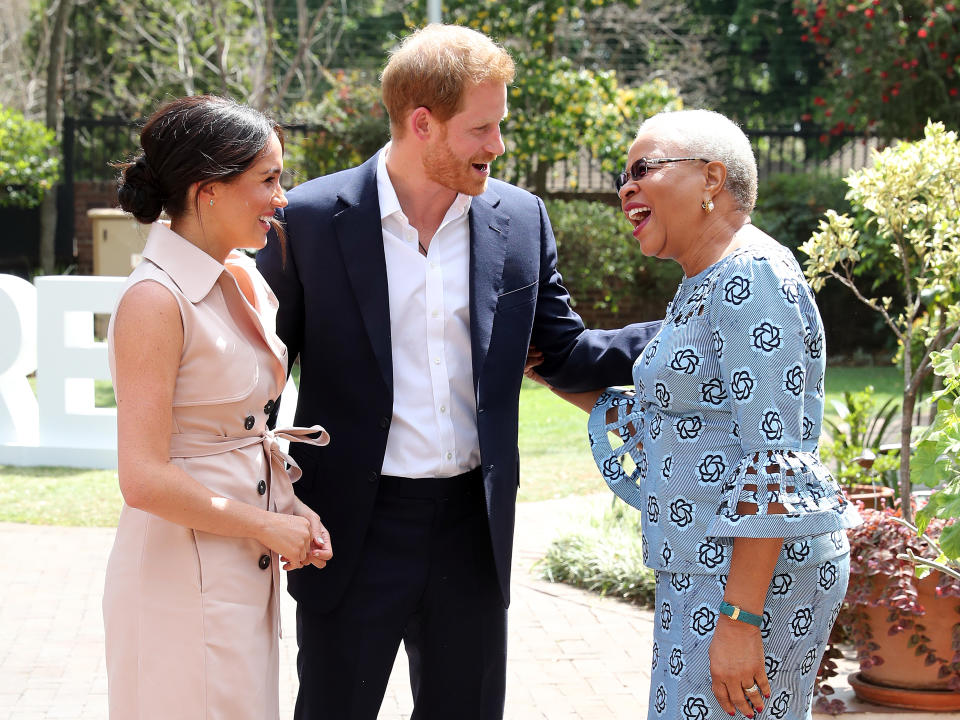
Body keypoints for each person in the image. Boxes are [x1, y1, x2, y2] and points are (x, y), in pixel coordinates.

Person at [255, 23, 659, 720]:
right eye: (482, 128)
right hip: (352, 529)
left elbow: (563, 352)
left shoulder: (521, 219)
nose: (497, 146)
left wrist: (693, 329)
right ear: (423, 124)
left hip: (474, 530)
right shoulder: (311, 221)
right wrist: (277, 503)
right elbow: (258, 383)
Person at [525, 109, 862, 720]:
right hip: (712, 570)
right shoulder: (705, 280)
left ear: (711, 179)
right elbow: (667, 418)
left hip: (750, 579)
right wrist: (543, 371)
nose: (625, 188)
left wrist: (739, 620)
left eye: (642, 169)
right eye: (620, 177)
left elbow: (775, 459)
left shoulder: (752, 276)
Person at [103, 95, 333, 720]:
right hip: (178, 575)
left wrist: (289, 509)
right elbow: (142, 478)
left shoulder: (245, 276)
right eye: (268, 180)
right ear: (208, 191)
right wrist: (264, 525)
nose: (281, 198)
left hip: (241, 568)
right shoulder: (154, 299)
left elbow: (242, 430)